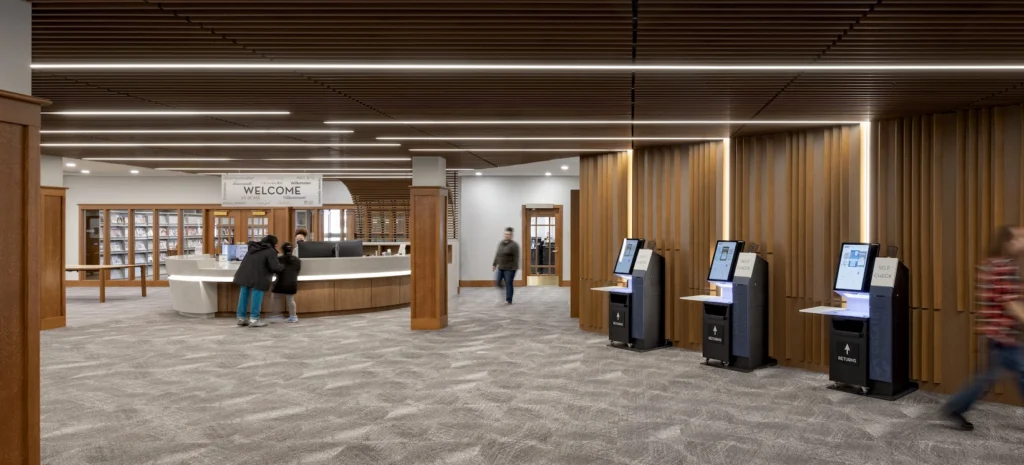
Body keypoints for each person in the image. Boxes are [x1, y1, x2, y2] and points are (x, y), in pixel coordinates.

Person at [943, 225, 1024, 430]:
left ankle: (956, 407)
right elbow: (1010, 303)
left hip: (995, 335)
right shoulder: (1004, 268)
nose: (1023, 242)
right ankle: (955, 406)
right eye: (1019, 238)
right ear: (1007, 243)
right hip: (1003, 337)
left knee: (985, 379)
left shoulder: (990, 265)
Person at [233, 235, 284, 328]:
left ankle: (241, 318)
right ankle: (254, 319)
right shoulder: (270, 251)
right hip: (259, 277)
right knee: (257, 294)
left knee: (244, 294)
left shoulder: (253, 248)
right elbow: (275, 267)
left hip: (244, 275)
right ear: (274, 244)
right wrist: (283, 266)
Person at [273, 242, 302, 323]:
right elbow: (297, 271)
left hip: (280, 283)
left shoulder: (279, 259)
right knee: (290, 300)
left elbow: (276, 270)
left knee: (275, 297)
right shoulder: (297, 260)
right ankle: (293, 316)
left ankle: (276, 315)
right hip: (292, 283)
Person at [492, 227, 520, 305]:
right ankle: (507, 293)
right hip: (501, 267)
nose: (506, 235)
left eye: (508, 234)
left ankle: (509, 300)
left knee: (509, 283)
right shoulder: (501, 243)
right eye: (505, 234)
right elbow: (498, 254)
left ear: (511, 235)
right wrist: (494, 264)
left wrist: (514, 268)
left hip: (510, 268)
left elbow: (516, 257)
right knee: (498, 282)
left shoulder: (514, 245)